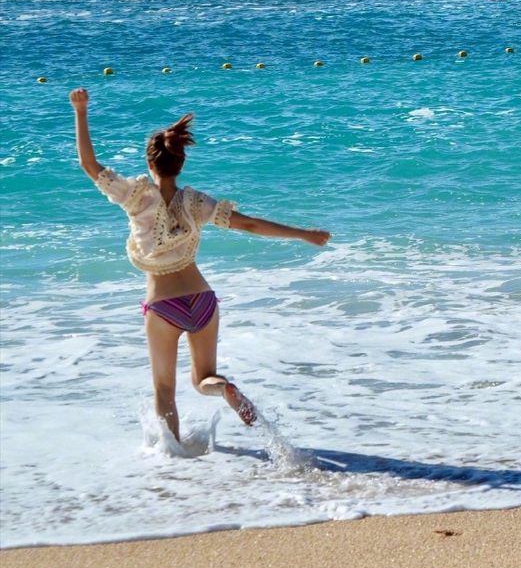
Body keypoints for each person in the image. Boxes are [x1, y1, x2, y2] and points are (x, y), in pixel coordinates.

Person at [69, 89, 331, 442]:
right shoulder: (196, 202)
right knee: (204, 378)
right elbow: (250, 224)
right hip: (203, 300)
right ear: (181, 164)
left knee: (164, 389)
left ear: (150, 164)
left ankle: (175, 461)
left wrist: (81, 111)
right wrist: (303, 234)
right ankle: (222, 389)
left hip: (163, 306)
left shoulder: (135, 196)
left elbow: (89, 164)